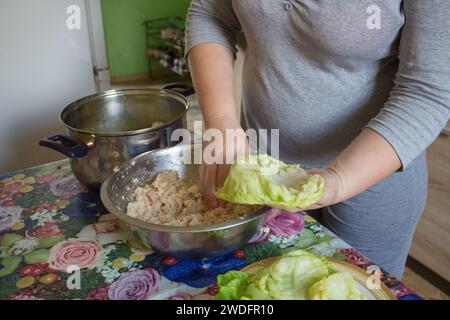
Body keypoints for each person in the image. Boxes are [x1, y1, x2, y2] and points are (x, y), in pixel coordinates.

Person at [184, 0, 450, 279]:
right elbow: (210, 13)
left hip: (372, 178)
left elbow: (428, 91)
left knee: (355, 288)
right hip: (260, 164)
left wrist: (339, 179)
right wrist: (222, 120)